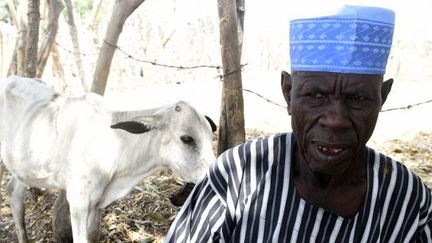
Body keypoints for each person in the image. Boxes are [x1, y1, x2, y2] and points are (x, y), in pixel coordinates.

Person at [164, 5, 432, 242]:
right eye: (316, 95)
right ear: (288, 93)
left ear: (382, 98)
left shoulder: (407, 199)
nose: (336, 120)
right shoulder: (236, 176)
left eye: (358, 98)